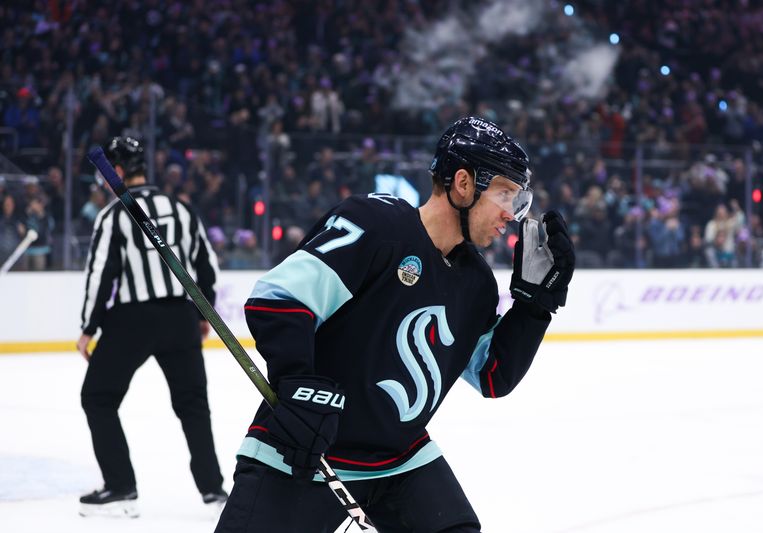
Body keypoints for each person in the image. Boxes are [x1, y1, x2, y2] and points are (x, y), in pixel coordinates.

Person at [214, 116, 575, 532]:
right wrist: (298, 383)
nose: (512, 214)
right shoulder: (374, 224)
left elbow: (494, 376)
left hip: (401, 460)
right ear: (463, 183)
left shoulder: (475, 282)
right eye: (505, 195)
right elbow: (278, 300)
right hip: (304, 451)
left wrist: (534, 306)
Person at [77, 136, 227, 517]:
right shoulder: (180, 207)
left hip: (132, 321)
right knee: (194, 405)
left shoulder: (114, 215)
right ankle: (213, 493)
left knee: (98, 397)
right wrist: (201, 313)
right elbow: (206, 264)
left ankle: (121, 486)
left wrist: (88, 327)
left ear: (119, 171)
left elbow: (101, 274)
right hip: (179, 318)